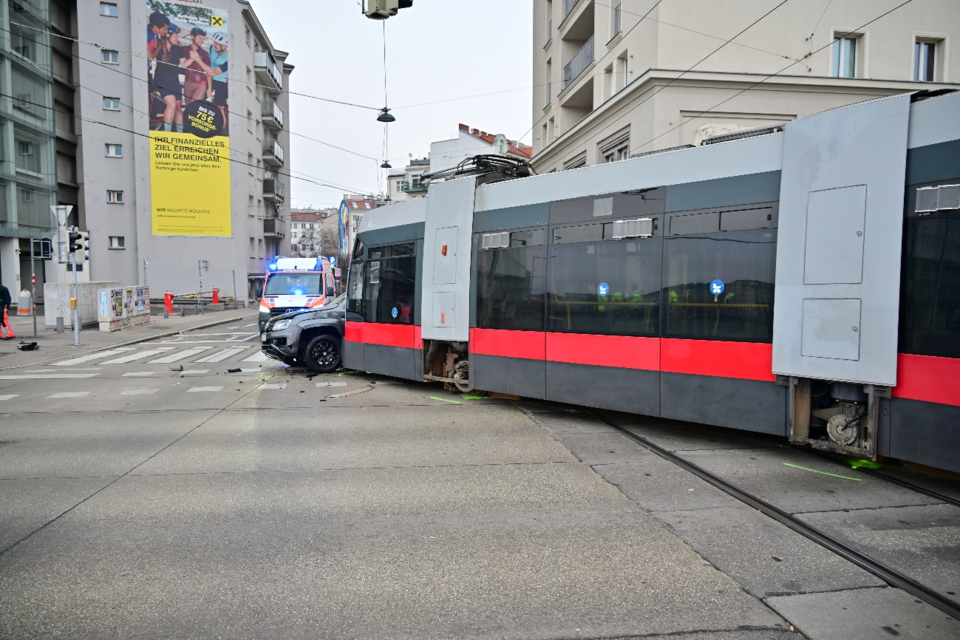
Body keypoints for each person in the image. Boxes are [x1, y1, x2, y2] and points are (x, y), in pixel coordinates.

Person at [153, 24, 186, 132]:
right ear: (167, 35)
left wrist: (195, 58)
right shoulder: (159, 45)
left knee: (178, 108)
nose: (177, 38)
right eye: (175, 35)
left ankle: (179, 134)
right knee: (171, 105)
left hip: (174, 80)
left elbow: (184, 64)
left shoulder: (178, 49)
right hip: (161, 79)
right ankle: (167, 133)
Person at [180, 27, 211, 106]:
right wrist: (192, 58)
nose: (201, 40)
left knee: (193, 107)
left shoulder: (205, 53)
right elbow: (183, 64)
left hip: (201, 84)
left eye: (203, 38)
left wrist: (210, 88)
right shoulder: (184, 49)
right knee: (188, 108)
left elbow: (208, 72)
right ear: (192, 37)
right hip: (187, 83)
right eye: (199, 38)